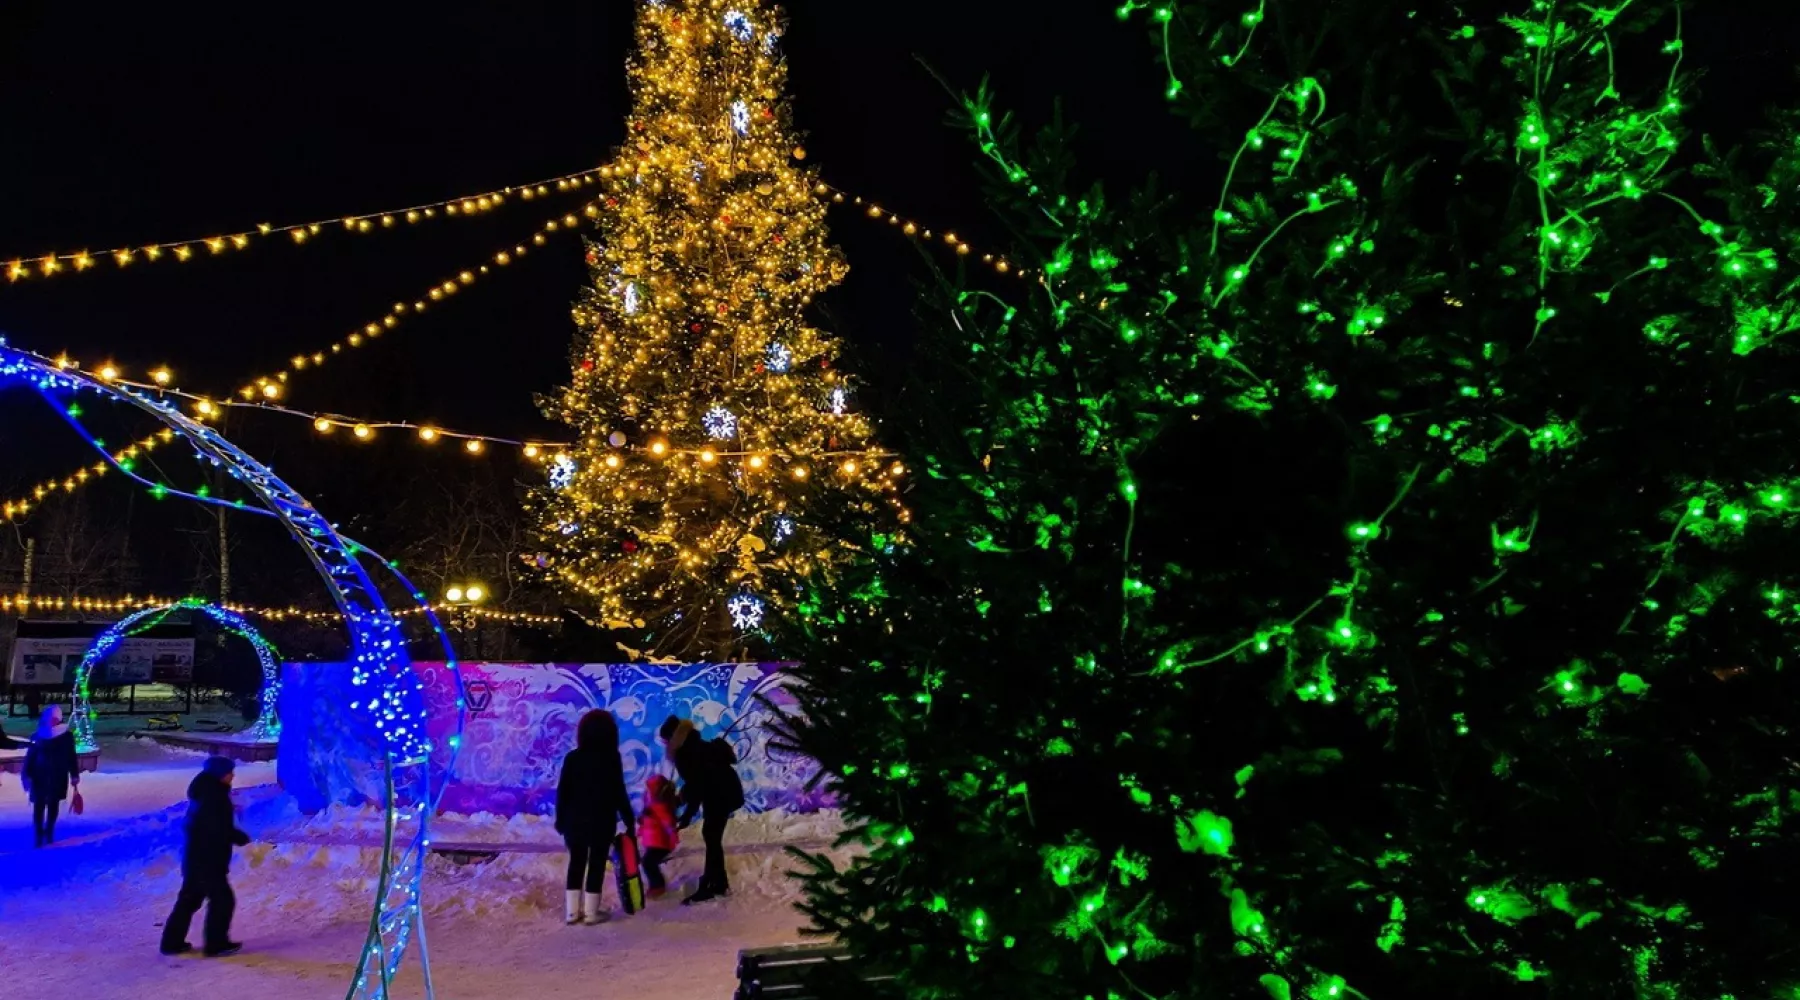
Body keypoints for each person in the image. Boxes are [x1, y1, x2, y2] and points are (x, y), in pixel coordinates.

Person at [160, 756, 250, 957]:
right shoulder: (213, 796)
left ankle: (171, 943)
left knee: (189, 900)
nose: (232, 775)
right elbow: (216, 828)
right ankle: (216, 944)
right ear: (219, 774)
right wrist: (238, 836)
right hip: (208, 858)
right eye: (229, 772)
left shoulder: (205, 792)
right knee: (223, 900)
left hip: (197, 857)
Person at [554, 709, 634, 925]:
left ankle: (572, 913)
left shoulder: (573, 758)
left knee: (576, 862)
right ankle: (591, 912)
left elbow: (563, 791)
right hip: (601, 820)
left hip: (574, 821)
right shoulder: (611, 758)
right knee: (597, 864)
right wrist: (629, 820)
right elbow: (619, 791)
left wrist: (560, 819)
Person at [658, 714, 745, 905]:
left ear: (672, 738)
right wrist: (685, 805)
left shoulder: (685, 753)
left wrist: (687, 815)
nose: (665, 745)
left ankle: (711, 885)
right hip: (724, 790)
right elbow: (697, 784)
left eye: (665, 741)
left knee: (711, 836)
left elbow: (697, 786)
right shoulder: (693, 744)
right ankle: (718, 882)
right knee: (712, 836)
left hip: (720, 794)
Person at [22, 705, 80, 847]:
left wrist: (74, 775)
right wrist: (26, 774)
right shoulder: (37, 736)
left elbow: (71, 756)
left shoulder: (66, 736)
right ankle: (38, 833)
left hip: (58, 775)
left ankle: (49, 831)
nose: (51, 722)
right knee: (39, 805)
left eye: (54, 719)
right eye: (49, 719)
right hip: (39, 776)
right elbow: (30, 757)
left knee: (53, 804)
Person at [637, 775, 680, 898]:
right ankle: (656, 885)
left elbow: (668, 824)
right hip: (653, 842)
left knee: (648, 863)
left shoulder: (659, 807)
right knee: (648, 862)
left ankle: (658, 886)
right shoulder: (651, 806)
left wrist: (673, 838)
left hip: (661, 843)